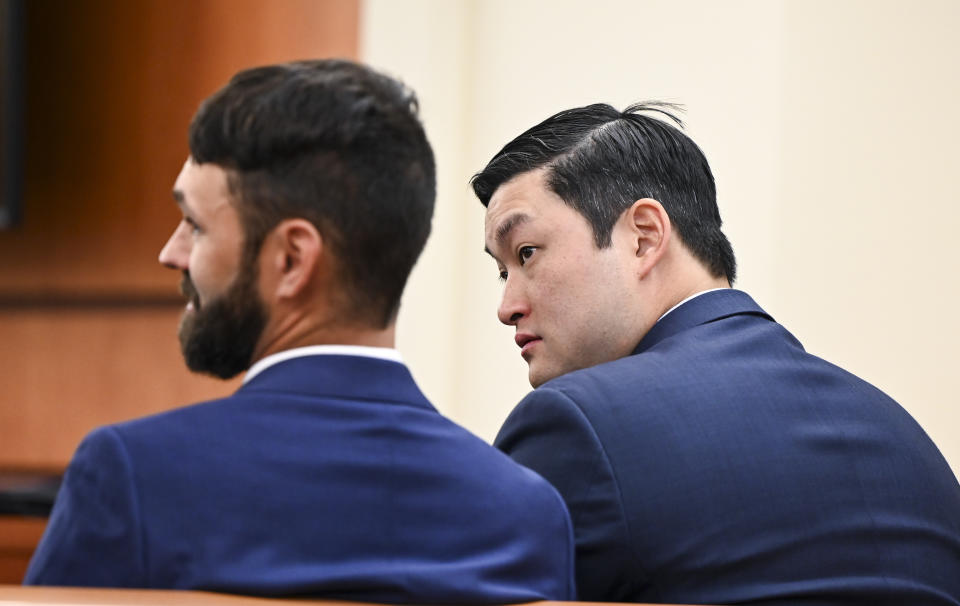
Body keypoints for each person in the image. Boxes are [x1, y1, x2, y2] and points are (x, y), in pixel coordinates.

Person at [24, 60, 575, 603]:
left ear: (291, 259)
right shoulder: (526, 514)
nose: (172, 254)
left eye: (194, 224)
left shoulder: (133, 477)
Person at [472, 101, 960, 605]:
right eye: (504, 272)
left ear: (643, 237)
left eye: (526, 253)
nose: (507, 307)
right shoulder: (904, 435)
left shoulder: (576, 423)